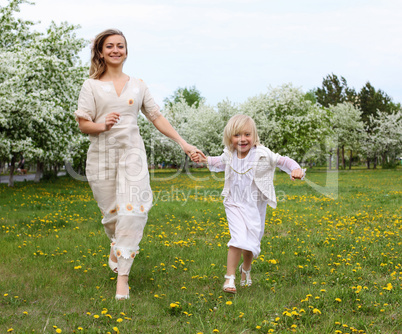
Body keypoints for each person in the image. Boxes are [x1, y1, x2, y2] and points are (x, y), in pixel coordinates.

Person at [75, 29, 203, 300]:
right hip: (101, 157)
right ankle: (116, 243)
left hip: (132, 155)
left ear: (126, 51)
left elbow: (156, 117)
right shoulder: (91, 86)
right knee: (112, 214)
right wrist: (102, 125)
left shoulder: (139, 85)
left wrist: (184, 143)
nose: (115, 50)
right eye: (109, 46)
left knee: (133, 211)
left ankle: (123, 277)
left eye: (120, 46)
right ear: (100, 52)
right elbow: (83, 123)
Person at [191, 114, 305, 294]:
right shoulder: (229, 154)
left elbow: (283, 161)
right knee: (237, 238)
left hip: (255, 205)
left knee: (251, 241)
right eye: (236, 135)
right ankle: (230, 278)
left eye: (247, 134)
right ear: (230, 137)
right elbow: (218, 162)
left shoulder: (262, 154)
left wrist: (295, 168)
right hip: (233, 202)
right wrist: (204, 159)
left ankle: (246, 268)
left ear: (254, 136)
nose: (242, 139)